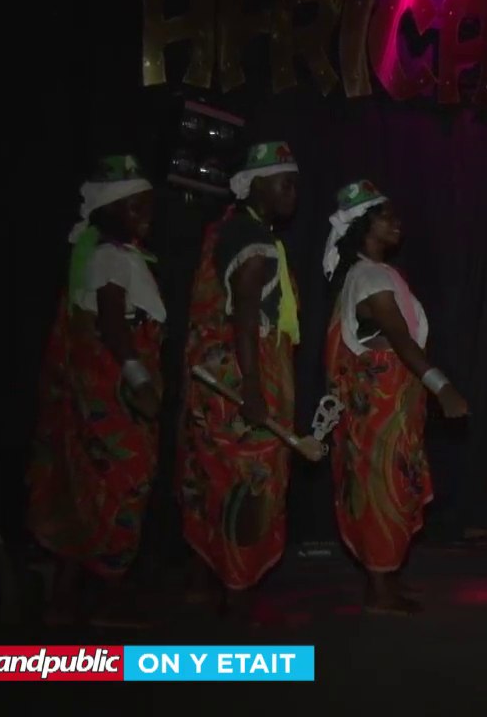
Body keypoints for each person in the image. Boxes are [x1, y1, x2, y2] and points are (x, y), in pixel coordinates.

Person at [26, 155, 165, 627]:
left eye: (148, 205)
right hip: (117, 397)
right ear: (109, 209)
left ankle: (64, 600)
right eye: (135, 207)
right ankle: (108, 598)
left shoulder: (101, 254)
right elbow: (112, 323)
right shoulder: (109, 257)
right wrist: (140, 380)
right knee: (125, 482)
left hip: (97, 399)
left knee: (86, 487)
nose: (145, 215)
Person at [322, 179, 469, 616]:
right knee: (380, 491)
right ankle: (380, 591)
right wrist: (442, 386)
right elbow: (401, 341)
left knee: (389, 489)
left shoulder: (377, 274)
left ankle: (386, 581)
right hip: (381, 412)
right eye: (386, 215)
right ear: (365, 225)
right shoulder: (368, 277)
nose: (396, 223)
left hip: (393, 408)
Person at [179, 141, 301, 621]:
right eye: (284, 183)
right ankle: (238, 593)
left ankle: (210, 584)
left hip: (215, 378)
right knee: (251, 484)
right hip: (242, 378)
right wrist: (253, 387)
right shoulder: (253, 244)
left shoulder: (226, 231)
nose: (294, 192)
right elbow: (246, 316)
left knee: (216, 477)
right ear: (254, 186)